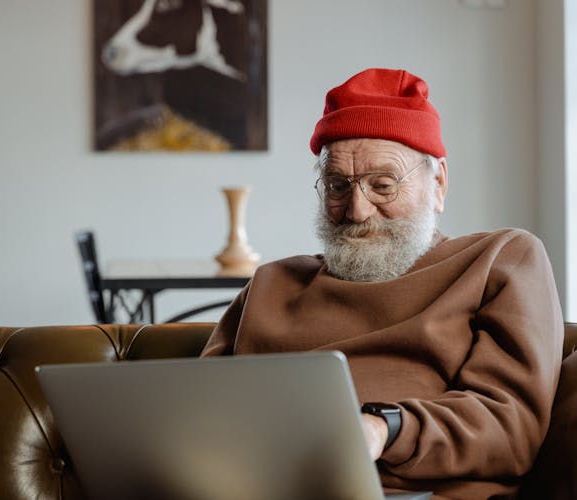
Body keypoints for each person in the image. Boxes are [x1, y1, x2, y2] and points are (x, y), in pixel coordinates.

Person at [200, 68, 564, 500]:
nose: (356, 210)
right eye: (337, 185)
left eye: (383, 185)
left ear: (439, 184)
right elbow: (197, 409)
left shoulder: (500, 258)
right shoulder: (271, 282)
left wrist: (383, 428)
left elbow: (509, 429)